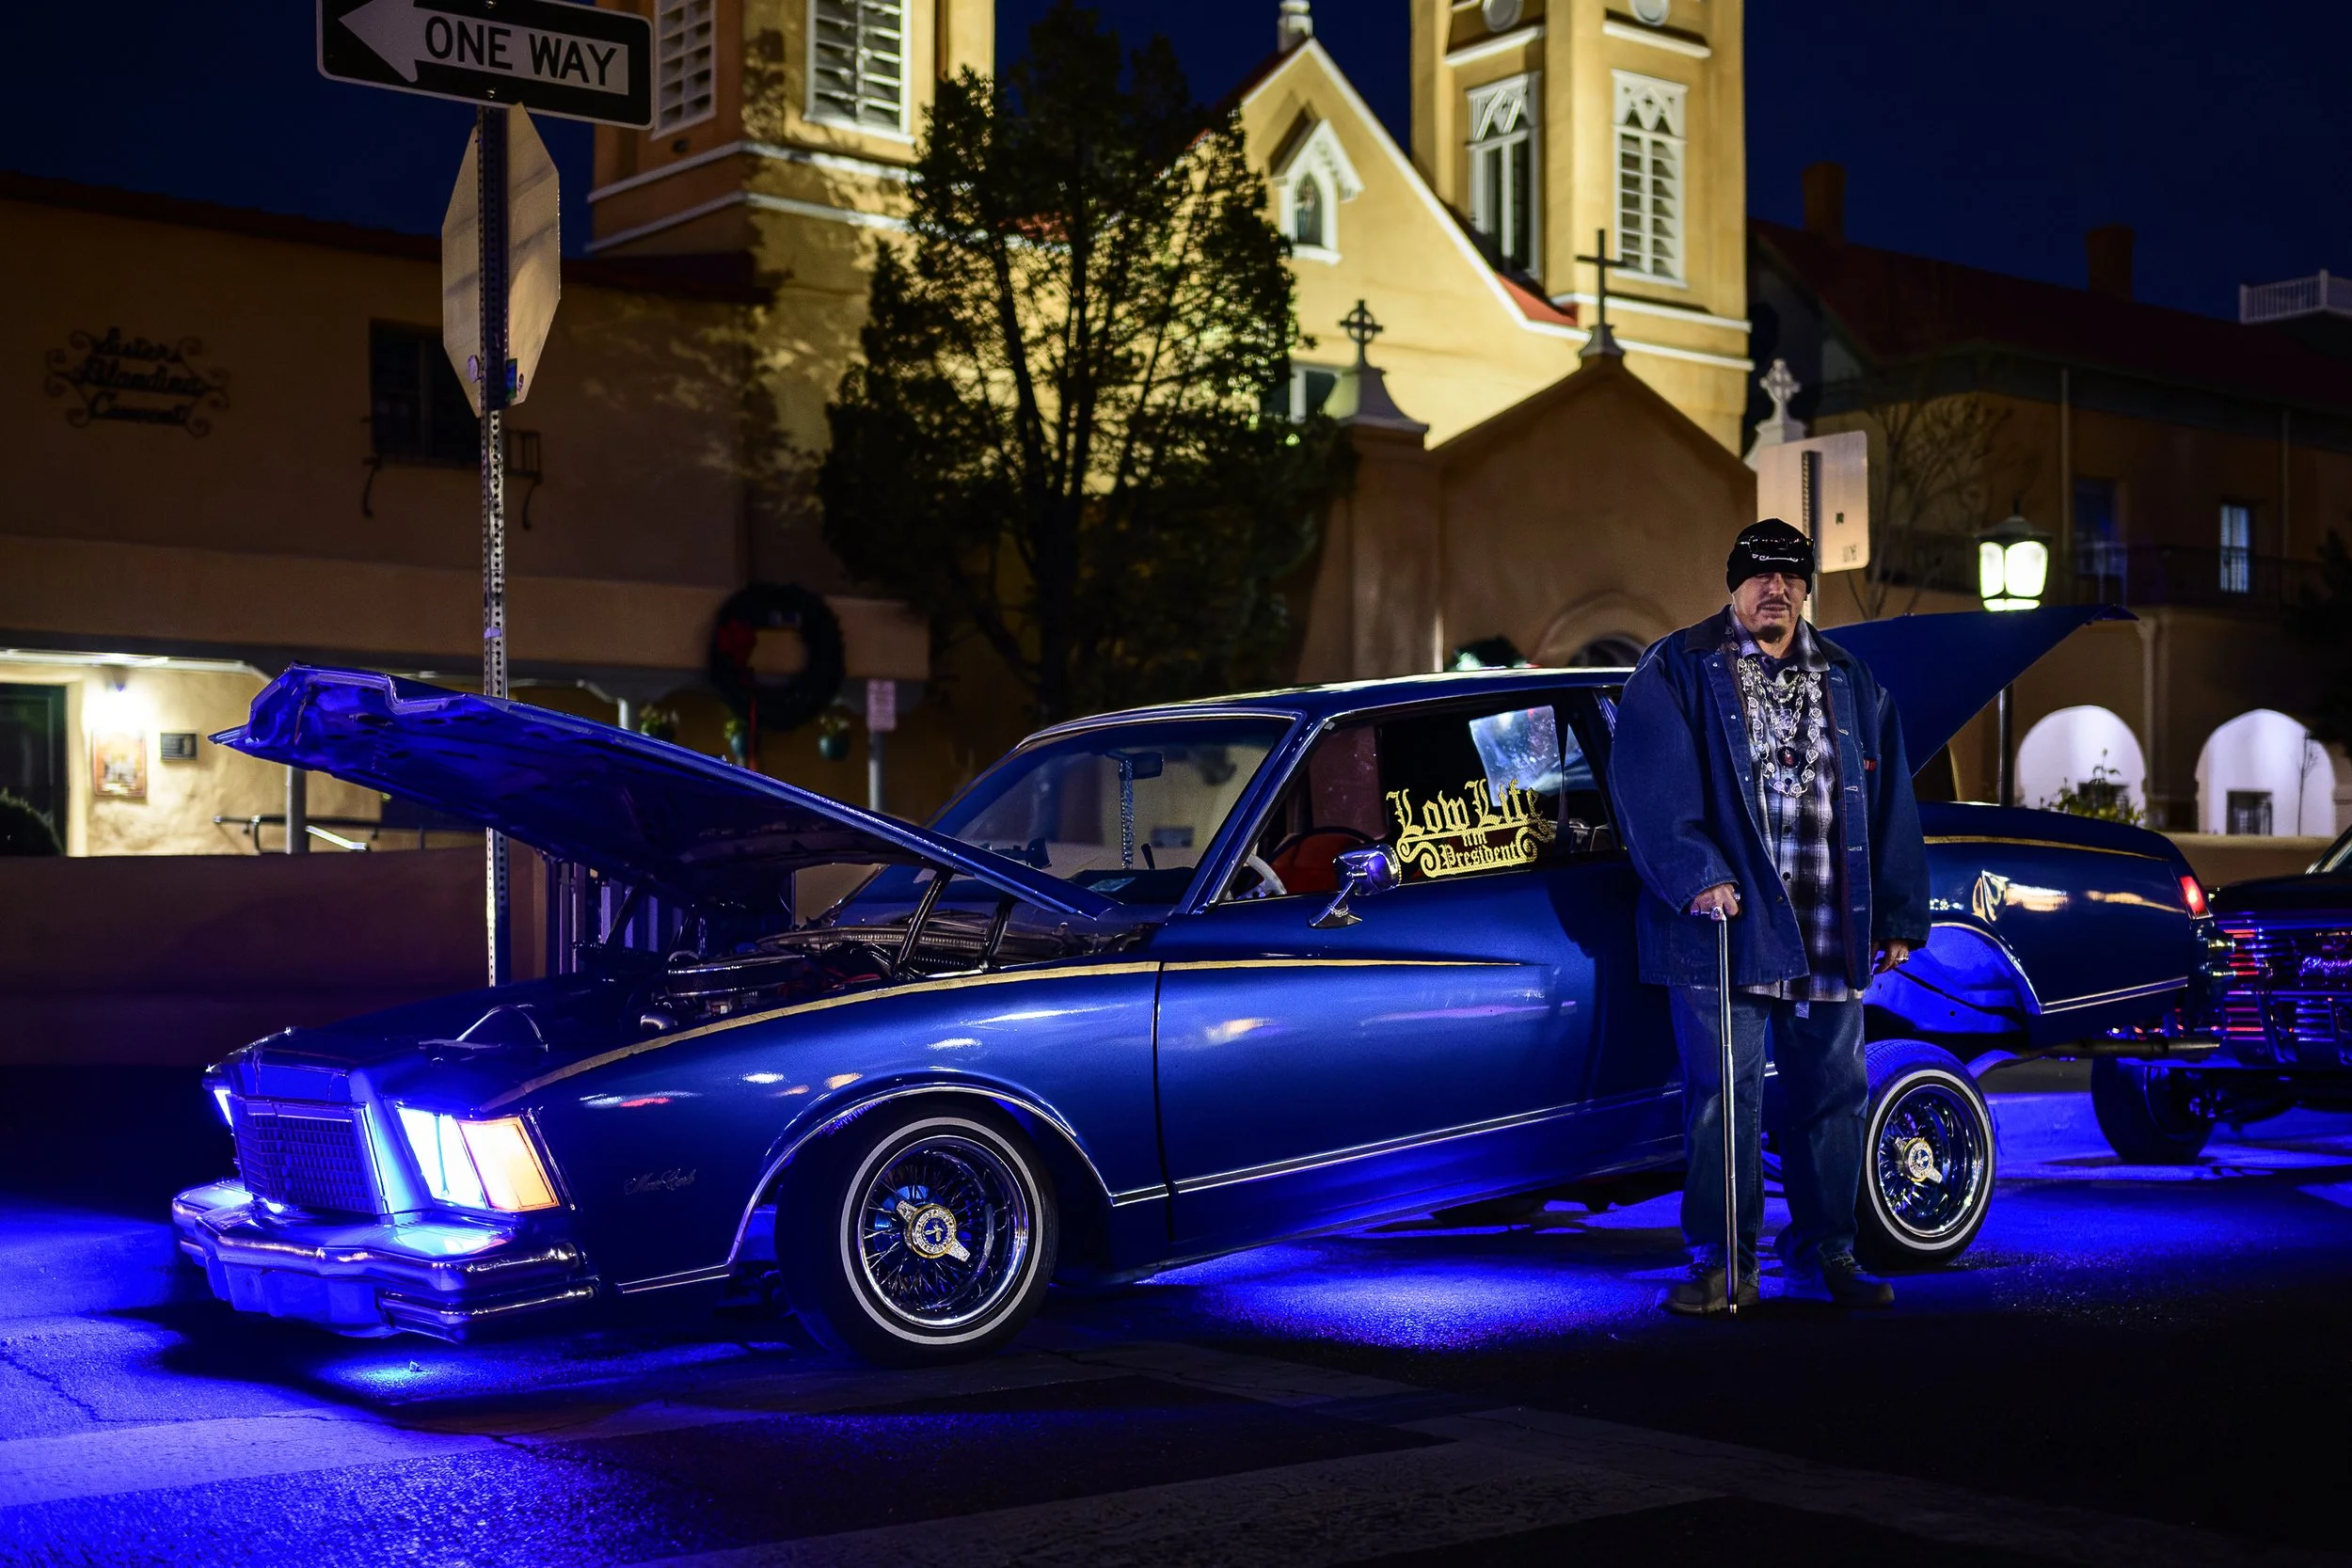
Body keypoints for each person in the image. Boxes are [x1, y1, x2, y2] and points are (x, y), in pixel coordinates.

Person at [1610, 519, 1930, 1314]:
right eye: (1759, 576)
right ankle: (1724, 1263)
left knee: (1833, 1092)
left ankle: (1830, 1252)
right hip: (1724, 925)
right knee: (1725, 1094)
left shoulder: (1855, 679)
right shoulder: (1677, 667)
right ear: (1734, 585)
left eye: (1790, 576)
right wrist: (1697, 876)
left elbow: (1889, 800)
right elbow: (1650, 789)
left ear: (1806, 587)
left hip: (1827, 919)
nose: (1774, 589)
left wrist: (1894, 909)